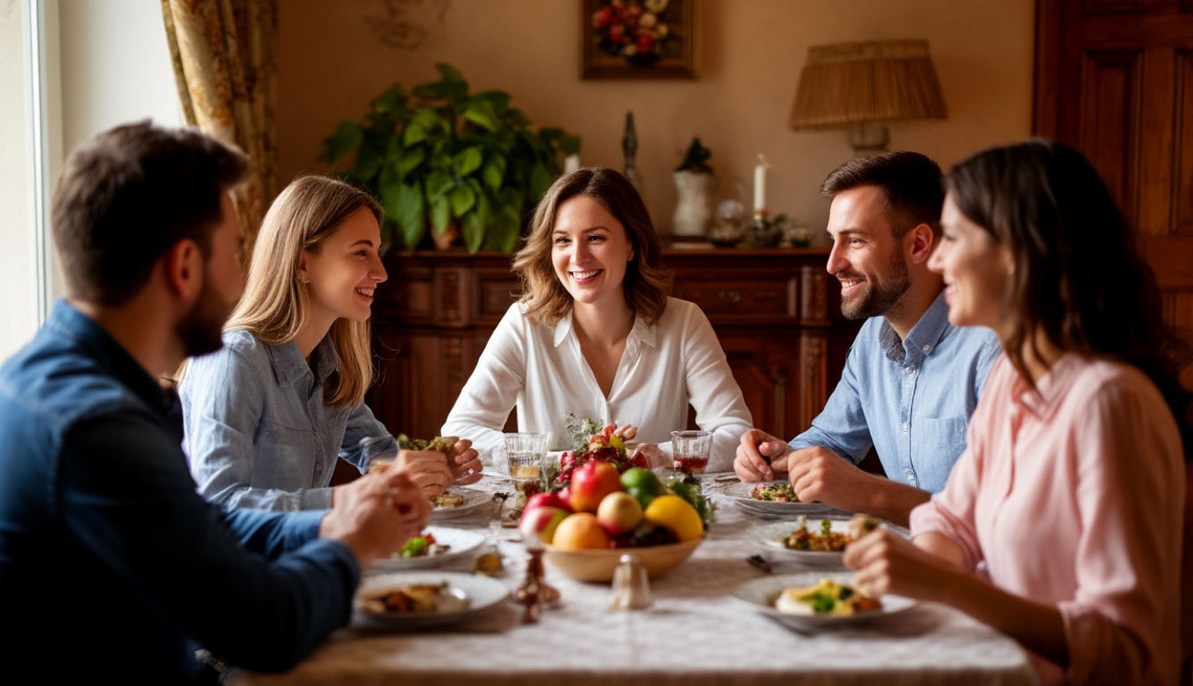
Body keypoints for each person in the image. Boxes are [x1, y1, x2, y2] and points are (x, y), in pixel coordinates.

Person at [0, 121, 431, 683]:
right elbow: (264, 627)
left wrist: (337, 519)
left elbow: (204, 525)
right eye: (232, 252)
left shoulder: (59, 379)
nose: (240, 277)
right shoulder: (98, 427)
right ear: (183, 267)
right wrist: (353, 545)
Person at [844, 140, 1189, 685]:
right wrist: (914, 567)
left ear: (1019, 251)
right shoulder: (1013, 378)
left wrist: (943, 586)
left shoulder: (1109, 403)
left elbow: (1124, 648)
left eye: (953, 237)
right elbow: (952, 520)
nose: (934, 259)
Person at [179, 175, 482, 511]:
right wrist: (353, 496)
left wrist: (432, 468)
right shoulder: (232, 359)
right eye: (361, 252)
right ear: (303, 262)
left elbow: (375, 450)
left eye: (376, 252)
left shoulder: (327, 360)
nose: (381, 272)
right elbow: (218, 503)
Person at [734, 152, 1001, 526]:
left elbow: (1003, 519)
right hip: (904, 558)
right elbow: (833, 442)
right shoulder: (871, 338)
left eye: (854, 241)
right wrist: (780, 456)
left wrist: (870, 492)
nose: (832, 263)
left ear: (919, 245)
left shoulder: (992, 349)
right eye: (833, 240)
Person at [441, 167, 752, 471]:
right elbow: (462, 432)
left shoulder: (685, 322)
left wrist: (661, 456)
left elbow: (735, 434)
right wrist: (559, 462)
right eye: (562, 240)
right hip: (555, 516)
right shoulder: (525, 323)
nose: (578, 257)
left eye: (595, 238)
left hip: (652, 513)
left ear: (632, 244)